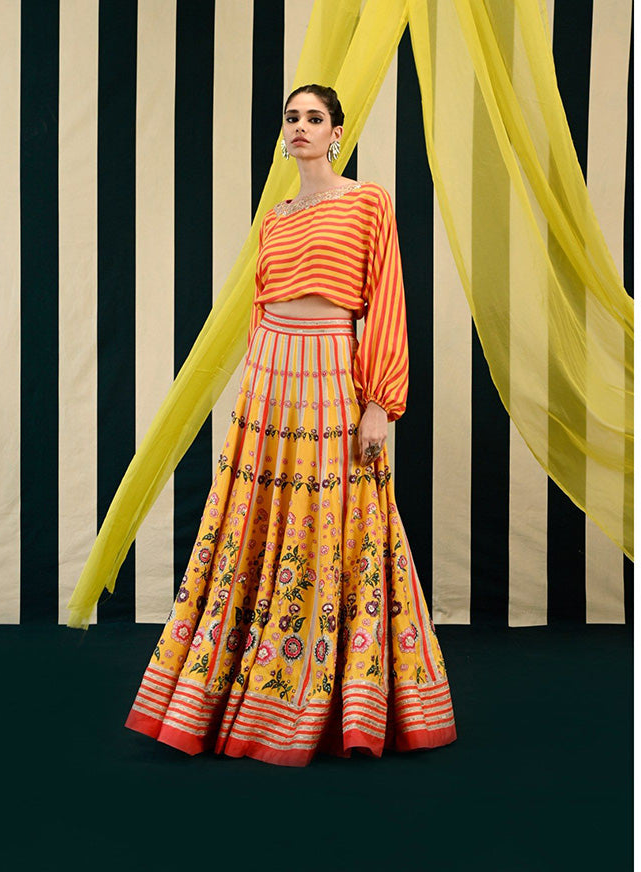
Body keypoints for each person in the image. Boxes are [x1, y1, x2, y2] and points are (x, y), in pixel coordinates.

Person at [124, 83, 457, 766]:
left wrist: (379, 402)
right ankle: (233, 688)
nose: (301, 126)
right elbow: (259, 308)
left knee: (337, 517)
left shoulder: (368, 202)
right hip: (270, 378)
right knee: (254, 519)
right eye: (292, 118)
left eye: (315, 118)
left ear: (336, 133)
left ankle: (338, 698)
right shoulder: (274, 219)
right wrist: (255, 389)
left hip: (333, 370)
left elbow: (386, 300)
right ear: (284, 134)